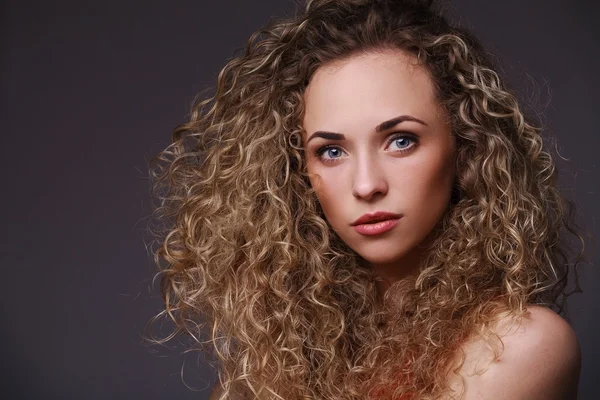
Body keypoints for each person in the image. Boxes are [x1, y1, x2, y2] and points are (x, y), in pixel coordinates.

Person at [148, 0, 584, 398]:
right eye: (331, 151)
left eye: (401, 141)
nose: (366, 184)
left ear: (465, 148)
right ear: (296, 174)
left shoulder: (518, 346)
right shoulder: (281, 362)